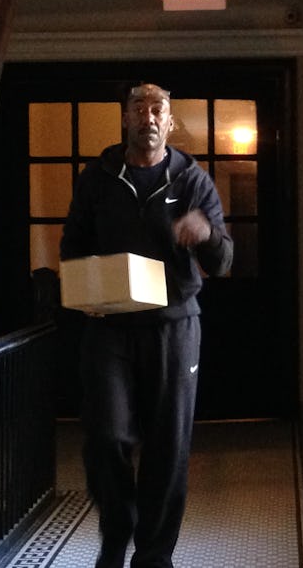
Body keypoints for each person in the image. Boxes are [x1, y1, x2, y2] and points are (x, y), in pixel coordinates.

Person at [59, 83, 233, 568]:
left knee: (167, 445)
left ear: (169, 123)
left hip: (174, 328)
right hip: (108, 326)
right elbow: (72, 246)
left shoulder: (192, 181)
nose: (148, 117)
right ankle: (118, 526)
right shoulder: (97, 177)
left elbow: (222, 261)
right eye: (138, 108)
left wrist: (205, 235)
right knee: (105, 434)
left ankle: (154, 556)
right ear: (125, 119)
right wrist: (87, 289)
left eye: (158, 110)